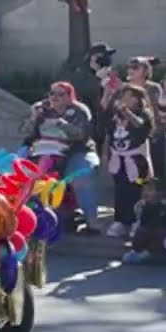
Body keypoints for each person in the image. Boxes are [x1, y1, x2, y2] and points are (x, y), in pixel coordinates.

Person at [20, 81, 101, 234]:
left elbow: (81, 135)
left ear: (69, 96)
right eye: (52, 93)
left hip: (75, 150)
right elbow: (25, 131)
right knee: (18, 172)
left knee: (82, 176)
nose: (55, 97)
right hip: (41, 150)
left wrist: (62, 123)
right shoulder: (40, 109)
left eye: (61, 94)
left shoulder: (78, 110)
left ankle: (92, 222)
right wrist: (33, 118)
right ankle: (23, 215)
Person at [106, 84, 155, 239]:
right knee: (120, 189)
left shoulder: (144, 113)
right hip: (118, 158)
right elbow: (106, 129)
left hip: (136, 159)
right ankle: (121, 221)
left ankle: (136, 221)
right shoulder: (116, 114)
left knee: (136, 189)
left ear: (139, 99)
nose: (125, 99)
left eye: (130, 96)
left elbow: (141, 127)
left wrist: (126, 113)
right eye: (123, 96)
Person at [122, 179, 166, 264]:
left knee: (160, 232)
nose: (146, 193)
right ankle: (136, 251)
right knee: (141, 231)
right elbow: (137, 222)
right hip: (146, 230)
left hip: (161, 231)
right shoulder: (140, 205)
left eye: (150, 190)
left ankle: (146, 254)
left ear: (159, 192)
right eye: (144, 191)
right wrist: (132, 234)